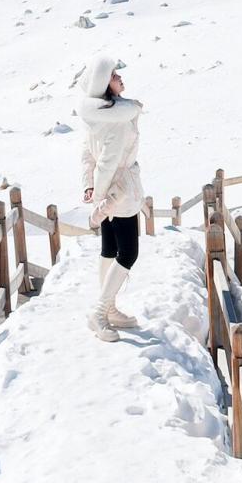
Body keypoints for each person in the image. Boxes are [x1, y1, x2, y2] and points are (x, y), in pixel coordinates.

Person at [77, 50, 144, 342]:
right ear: (106, 84)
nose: (120, 78)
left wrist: (88, 187)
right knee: (128, 252)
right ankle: (100, 311)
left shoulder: (98, 116)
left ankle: (110, 307)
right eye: (115, 76)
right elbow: (106, 162)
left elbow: (86, 153)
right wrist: (103, 200)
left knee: (109, 248)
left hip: (107, 192)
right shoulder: (117, 120)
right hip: (120, 192)